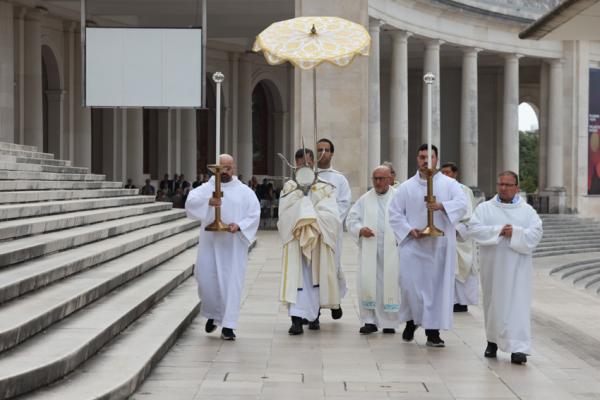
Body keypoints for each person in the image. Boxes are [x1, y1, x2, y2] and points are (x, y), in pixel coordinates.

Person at [388, 144, 468, 347]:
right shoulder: (406, 187)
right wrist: (408, 230)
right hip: (413, 245)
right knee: (410, 287)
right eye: (422, 157)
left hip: (439, 247)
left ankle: (433, 333)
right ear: (417, 159)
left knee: (435, 290)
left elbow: (462, 204)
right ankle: (412, 320)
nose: (425, 161)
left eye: (429, 157)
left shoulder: (450, 185)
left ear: (436, 159)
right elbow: (395, 213)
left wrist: (442, 206)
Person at [468, 171, 542, 364]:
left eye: (508, 185)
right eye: (500, 184)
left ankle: (519, 348)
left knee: (518, 306)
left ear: (517, 188)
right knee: (493, 304)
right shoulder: (485, 208)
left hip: (518, 269)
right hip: (493, 266)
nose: (503, 188)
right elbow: (474, 229)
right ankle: (492, 341)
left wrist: (515, 233)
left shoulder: (527, 211)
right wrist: (498, 231)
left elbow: (535, 233)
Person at [185, 154, 261, 340]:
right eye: (222, 167)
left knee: (230, 284)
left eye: (228, 167)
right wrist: (208, 202)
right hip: (210, 244)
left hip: (232, 246)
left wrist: (240, 226)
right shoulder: (206, 188)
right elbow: (190, 203)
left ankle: (228, 326)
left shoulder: (244, 191)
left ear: (233, 168)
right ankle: (213, 314)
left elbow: (254, 213)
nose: (225, 171)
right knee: (206, 281)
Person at [278, 148, 341, 335]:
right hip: (296, 241)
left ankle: (315, 317)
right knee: (296, 280)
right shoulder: (289, 187)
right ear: (295, 164)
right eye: (300, 163)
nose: (303, 166)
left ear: (313, 162)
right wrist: (302, 216)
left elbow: (332, 215)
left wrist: (312, 221)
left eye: (307, 163)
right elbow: (284, 214)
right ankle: (296, 321)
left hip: (318, 240)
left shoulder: (324, 187)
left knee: (317, 277)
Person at [346, 165, 400, 334]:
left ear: (389, 179)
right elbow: (351, 219)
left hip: (392, 251)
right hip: (370, 250)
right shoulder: (365, 199)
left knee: (389, 285)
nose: (377, 182)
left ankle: (389, 322)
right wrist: (360, 229)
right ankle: (369, 321)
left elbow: (407, 219)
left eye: (381, 179)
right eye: (375, 179)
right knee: (368, 284)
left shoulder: (398, 197)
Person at [316, 138, 351, 319]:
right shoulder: (308, 176)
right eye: (319, 149)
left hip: (331, 232)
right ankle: (314, 311)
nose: (323, 153)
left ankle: (334, 301)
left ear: (332, 153)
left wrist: (328, 222)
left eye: (326, 150)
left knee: (332, 267)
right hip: (312, 232)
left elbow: (344, 204)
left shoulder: (339, 179)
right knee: (314, 270)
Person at [440, 162, 479, 313]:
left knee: (461, 270)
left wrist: (456, 230)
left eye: (448, 172)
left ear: (455, 174)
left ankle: (461, 302)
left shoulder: (464, 190)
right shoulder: (438, 189)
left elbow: (469, 216)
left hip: (460, 237)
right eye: (442, 172)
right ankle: (446, 301)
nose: (445, 175)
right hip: (443, 235)